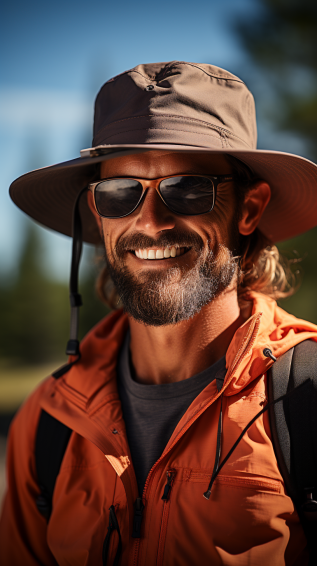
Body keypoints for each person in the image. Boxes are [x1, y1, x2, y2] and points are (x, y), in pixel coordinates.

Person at [1, 61, 317, 566]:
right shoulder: (46, 419)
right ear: (98, 213)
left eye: (189, 188)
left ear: (249, 209)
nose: (150, 221)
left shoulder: (306, 399)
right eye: (120, 193)